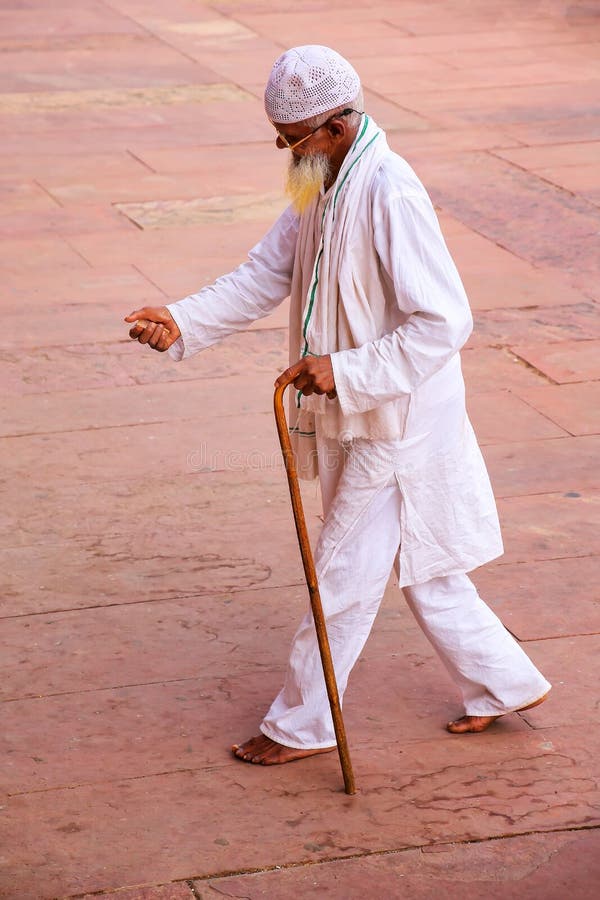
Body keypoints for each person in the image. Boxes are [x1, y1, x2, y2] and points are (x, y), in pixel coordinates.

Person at [125, 45, 550, 766]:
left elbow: (445, 321)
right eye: (282, 140)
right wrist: (183, 320)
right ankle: (502, 681)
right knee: (426, 561)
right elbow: (268, 270)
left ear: (338, 125)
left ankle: (302, 724)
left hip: (399, 414)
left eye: (292, 140)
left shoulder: (391, 192)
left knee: (344, 569)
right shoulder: (317, 178)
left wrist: (345, 369)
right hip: (367, 405)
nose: (285, 152)